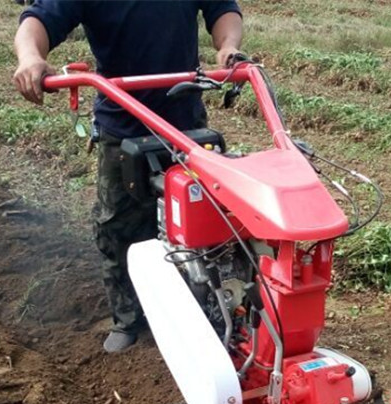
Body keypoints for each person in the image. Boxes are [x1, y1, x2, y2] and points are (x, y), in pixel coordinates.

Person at [13, 1, 243, 352]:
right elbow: (38, 20)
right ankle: (129, 319)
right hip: (122, 124)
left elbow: (222, 8)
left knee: (203, 222)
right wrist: (30, 57)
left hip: (185, 120)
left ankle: (209, 310)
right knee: (117, 225)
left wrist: (227, 47)